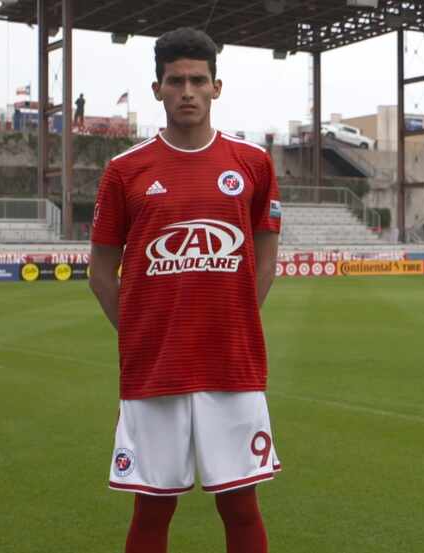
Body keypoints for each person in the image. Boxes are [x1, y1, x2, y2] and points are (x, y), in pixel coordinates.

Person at [88, 27, 282, 553]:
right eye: (177, 81)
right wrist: (140, 332)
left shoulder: (252, 164)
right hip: (155, 368)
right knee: (151, 507)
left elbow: (266, 252)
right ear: (158, 89)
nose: (188, 91)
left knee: (241, 505)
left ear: (217, 87)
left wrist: (240, 316)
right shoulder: (124, 171)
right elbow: (100, 271)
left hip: (232, 365)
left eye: (199, 80)